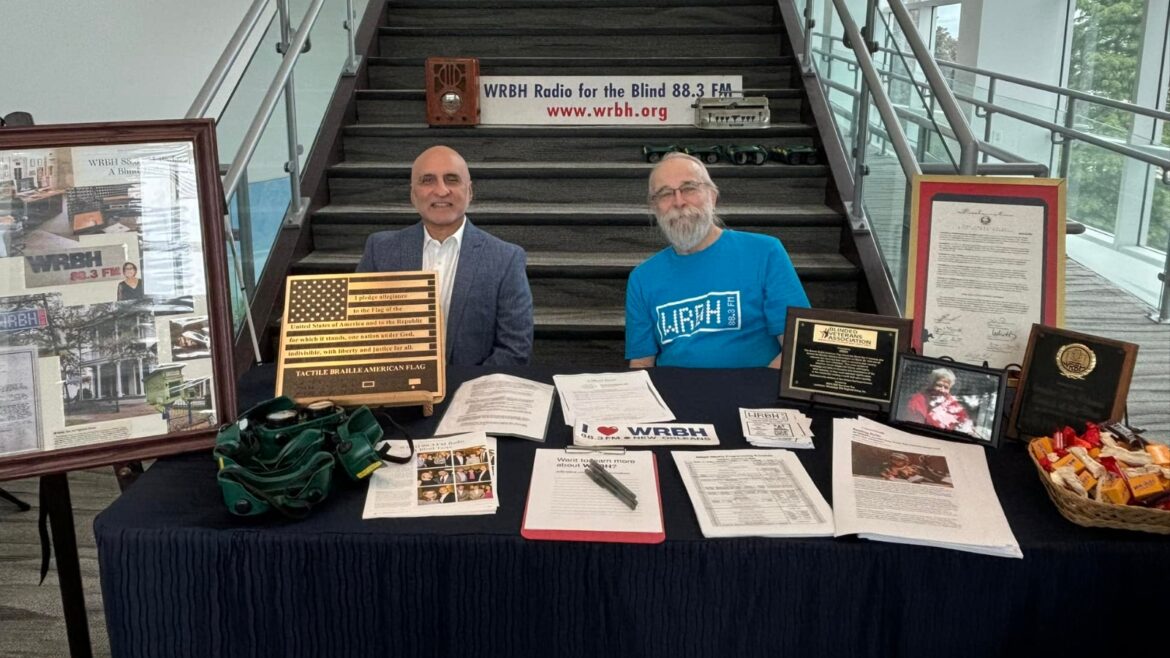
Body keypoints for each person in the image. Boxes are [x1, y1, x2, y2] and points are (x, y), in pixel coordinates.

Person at [625, 153, 810, 368]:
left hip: (753, 395)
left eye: (689, 188)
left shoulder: (765, 252)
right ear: (654, 208)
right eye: (665, 194)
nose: (678, 201)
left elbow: (796, 344)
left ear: (712, 196)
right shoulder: (642, 278)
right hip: (674, 396)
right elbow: (641, 363)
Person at [356, 145, 534, 365]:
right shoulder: (379, 250)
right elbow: (359, 334)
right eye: (427, 180)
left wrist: (461, 391)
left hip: (473, 394)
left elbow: (514, 350)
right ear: (413, 194)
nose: (441, 191)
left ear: (470, 192)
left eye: (451, 179)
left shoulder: (506, 259)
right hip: (396, 395)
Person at [903, 367, 975, 435]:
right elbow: (915, 428)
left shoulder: (950, 401)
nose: (942, 390)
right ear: (931, 385)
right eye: (939, 385)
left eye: (946, 387)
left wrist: (967, 429)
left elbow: (964, 420)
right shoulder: (917, 401)